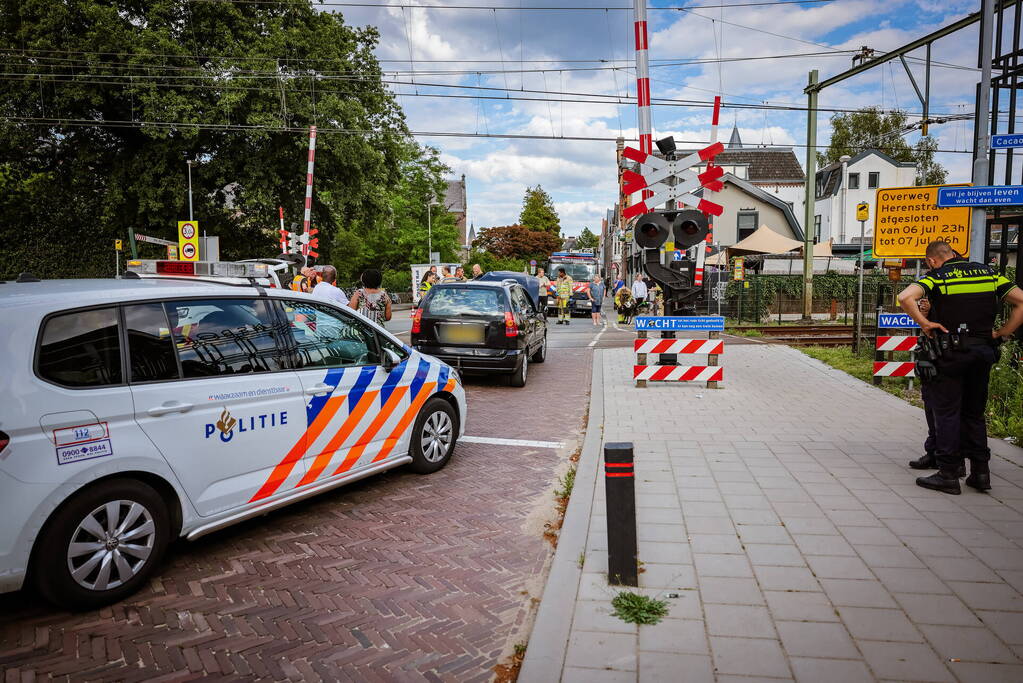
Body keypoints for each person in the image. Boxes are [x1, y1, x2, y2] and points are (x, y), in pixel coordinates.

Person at [897, 240, 1023, 494]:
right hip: (983, 352)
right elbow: (1021, 301)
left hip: (949, 354)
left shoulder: (938, 277)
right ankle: (980, 473)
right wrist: (1003, 332)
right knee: (974, 414)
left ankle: (948, 473)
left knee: (947, 413)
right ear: (954, 254)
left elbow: (904, 297)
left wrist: (924, 323)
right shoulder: (990, 275)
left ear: (932, 261)